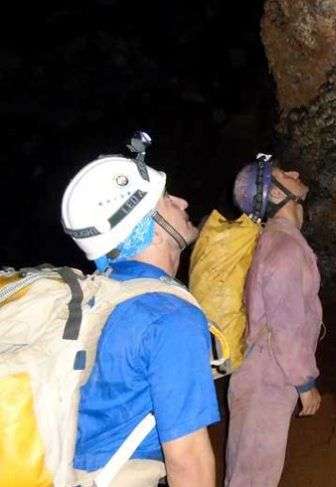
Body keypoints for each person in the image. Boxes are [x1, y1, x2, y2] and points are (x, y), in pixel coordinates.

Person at [61, 140, 220, 487]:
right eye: (166, 199)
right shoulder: (169, 317)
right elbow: (189, 460)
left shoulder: (94, 295)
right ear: (150, 226)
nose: (182, 202)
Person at [225, 154, 323, 487]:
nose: (295, 172)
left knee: (246, 472)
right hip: (269, 375)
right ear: (278, 194)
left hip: (257, 370)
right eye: (284, 173)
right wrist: (305, 383)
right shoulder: (285, 248)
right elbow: (286, 326)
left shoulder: (273, 239)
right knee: (254, 477)